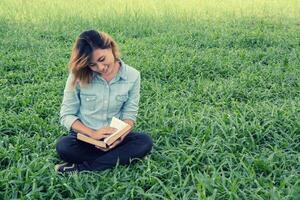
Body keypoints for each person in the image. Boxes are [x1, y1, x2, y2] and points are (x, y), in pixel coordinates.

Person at [55, 30, 153, 173]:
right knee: (64, 146)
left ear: (111, 48)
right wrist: (92, 134)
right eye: (92, 64)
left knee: (145, 141)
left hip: (116, 139)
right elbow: (66, 115)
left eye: (102, 59)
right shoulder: (77, 76)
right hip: (86, 138)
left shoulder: (133, 75)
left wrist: (120, 136)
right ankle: (119, 159)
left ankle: (82, 169)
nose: (100, 68)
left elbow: (129, 115)